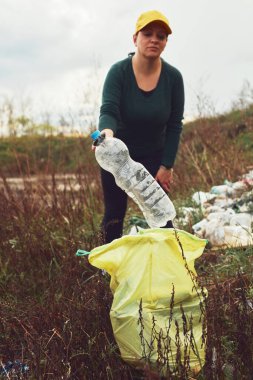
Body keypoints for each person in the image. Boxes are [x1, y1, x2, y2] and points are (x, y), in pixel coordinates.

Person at [97, 10, 184, 243]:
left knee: (162, 217)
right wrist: (106, 134)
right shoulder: (118, 72)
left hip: (155, 157)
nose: (154, 39)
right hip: (119, 157)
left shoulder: (173, 78)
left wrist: (167, 165)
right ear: (135, 38)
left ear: (166, 42)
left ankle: (172, 269)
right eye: (147, 33)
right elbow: (109, 111)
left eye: (161, 35)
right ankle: (108, 271)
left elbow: (175, 124)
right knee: (114, 215)